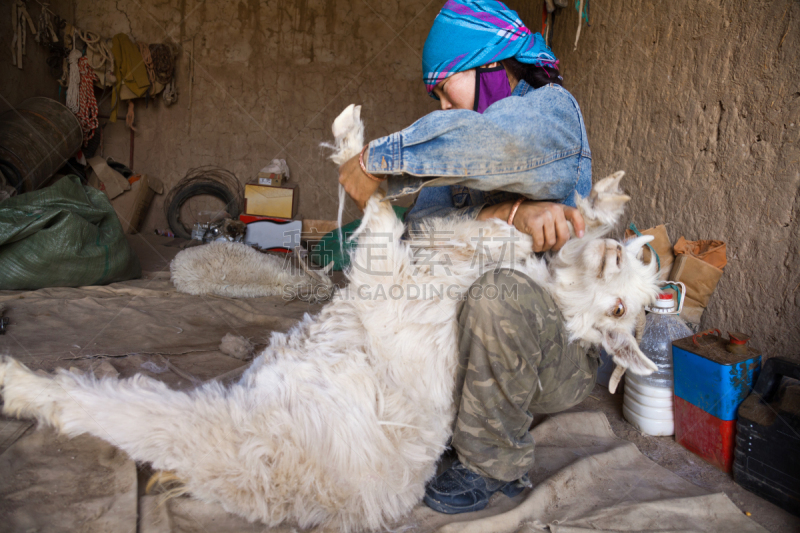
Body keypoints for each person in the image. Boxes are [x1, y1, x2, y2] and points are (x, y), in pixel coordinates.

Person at [338, 0, 599, 515]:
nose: (441, 106)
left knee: (496, 294)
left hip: (554, 355)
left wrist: (378, 158)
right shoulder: (449, 173)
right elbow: (419, 244)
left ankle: (490, 463)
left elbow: (490, 143)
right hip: (465, 355)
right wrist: (504, 215)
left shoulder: (552, 112)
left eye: (445, 86)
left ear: (493, 68)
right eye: (433, 94)